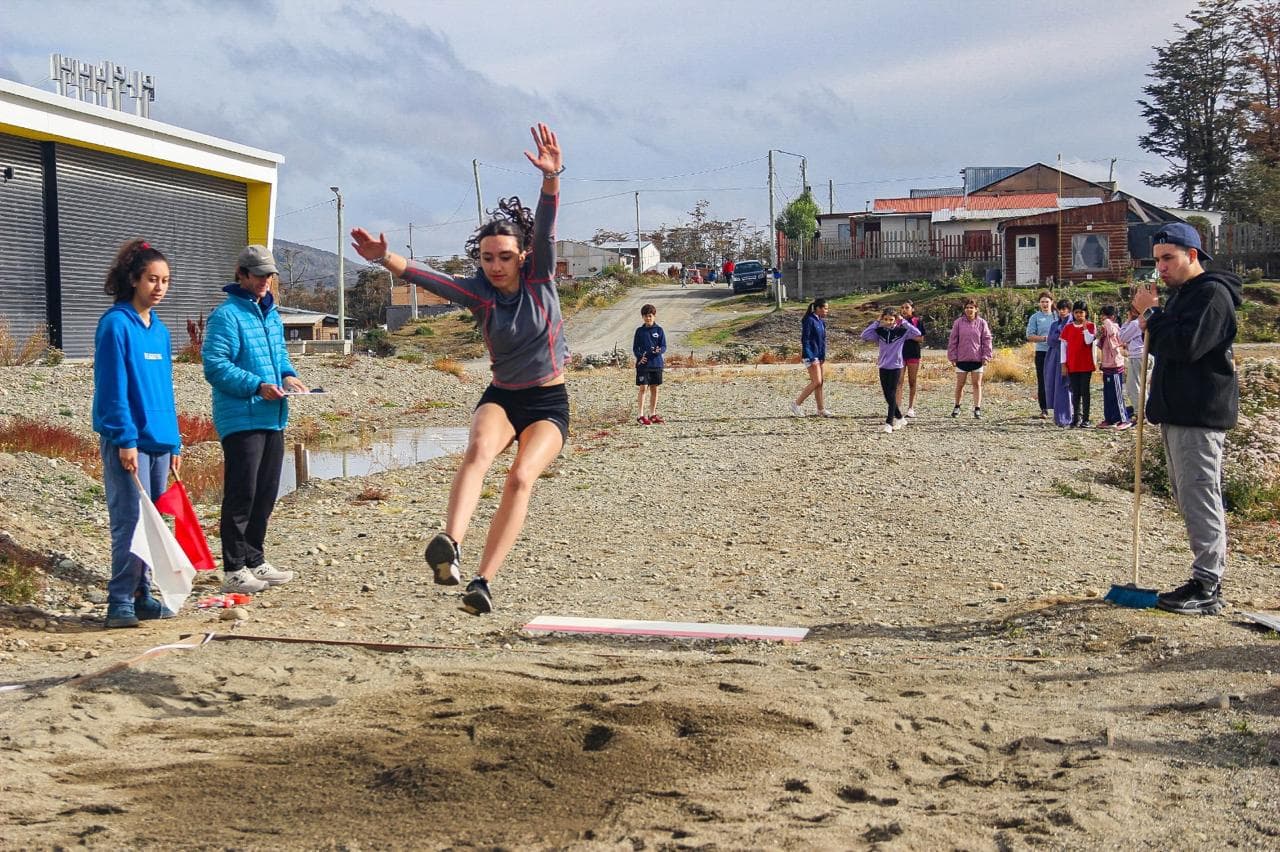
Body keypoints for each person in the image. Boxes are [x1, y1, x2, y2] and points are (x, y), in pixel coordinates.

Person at [349, 123, 567, 616]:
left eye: (505, 257)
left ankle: (483, 581)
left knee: (519, 479)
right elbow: (432, 278)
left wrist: (551, 179)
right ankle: (450, 540)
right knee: (477, 451)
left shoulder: (540, 278)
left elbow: (548, 223)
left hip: (549, 403)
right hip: (503, 395)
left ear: (523, 256)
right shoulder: (480, 294)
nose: (495, 266)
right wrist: (385, 257)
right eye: (487, 258)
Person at [1132, 222, 1242, 616]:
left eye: (1168, 258)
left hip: (1199, 413)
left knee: (1199, 494)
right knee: (1188, 494)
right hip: (1179, 411)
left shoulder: (1211, 295)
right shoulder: (1184, 295)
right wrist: (1155, 319)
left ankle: (1208, 584)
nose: (1161, 267)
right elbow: (1168, 340)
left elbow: (1186, 345)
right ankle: (1204, 577)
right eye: (1157, 259)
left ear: (1192, 255)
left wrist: (1154, 314)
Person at [202, 244, 307, 595]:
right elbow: (215, 366)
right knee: (241, 493)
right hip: (241, 416)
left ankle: (255, 559)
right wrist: (257, 385)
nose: (265, 281)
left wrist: (288, 376)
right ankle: (233, 568)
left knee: (265, 492)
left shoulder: (270, 313)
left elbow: (278, 355)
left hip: (273, 413)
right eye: (259, 275)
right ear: (242, 274)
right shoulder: (226, 316)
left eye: (269, 276)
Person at [92, 239, 182, 628]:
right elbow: (112, 389)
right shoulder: (115, 325)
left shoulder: (158, 331)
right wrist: (125, 439)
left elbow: (164, 388)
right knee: (131, 521)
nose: (159, 287)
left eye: (164, 280)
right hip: (128, 442)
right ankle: (119, 601)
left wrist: (175, 440)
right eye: (152, 279)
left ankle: (145, 594)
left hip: (160, 442)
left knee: (156, 523)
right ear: (133, 279)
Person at [861, 308, 922, 433]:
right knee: (887, 395)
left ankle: (889, 422)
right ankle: (900, 417)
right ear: (883, 319)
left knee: (892, 393)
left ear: (896, 320)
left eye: (891, 319)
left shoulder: (902, 331)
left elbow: (917, 333)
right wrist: (877, 322)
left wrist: (903, 321)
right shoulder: (880, 331)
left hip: (896, 366)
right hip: (883, 365)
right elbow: (864, 335)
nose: (888, 322)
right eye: (886, 319)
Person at [946, 298, 993, 418]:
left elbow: (987, 340)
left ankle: (977, 409)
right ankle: (957, 406)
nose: (969, 309)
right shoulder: (958, 323)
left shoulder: (982, 323)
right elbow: (953, 340)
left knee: (976, 384)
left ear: (976, 309)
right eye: (967, 307)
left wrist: (986, 356)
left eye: (971, 307)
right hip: (961, 358)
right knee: (960, 384)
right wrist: (952, 356)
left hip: (977, 358)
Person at [791, 298, 832, 417]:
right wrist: (811, 356)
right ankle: (796, 404)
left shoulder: (821, 321)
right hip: (810, 356)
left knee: (820, 383)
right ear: (818, 308)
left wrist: (822, 356)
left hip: (819, 356)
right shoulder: (809, 320)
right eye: (825, 308)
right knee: (816, 381)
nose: (827, 311)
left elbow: (822, 341)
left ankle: (821, 409)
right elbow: (806, 339)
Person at [1059, 300, 1096, 428]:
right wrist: (1063, 364)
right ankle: (1076, 417)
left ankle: (1086, 418)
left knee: (1085, 391)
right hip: (1072, 364)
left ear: (1086, 313)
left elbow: (1088, 341)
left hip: (1085, 364)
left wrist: (1085, 328)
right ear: (1073, 313)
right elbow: (1063, 346)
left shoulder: (1091, 326)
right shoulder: (1068, 327)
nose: (1079, 315)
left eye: (1081, 312)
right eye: (1076, 312)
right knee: (1075, 391)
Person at [1095, 305, 1132, 430]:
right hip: (1106, 365)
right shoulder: (1105, 328)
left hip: (1116, 366)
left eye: (1105, 315)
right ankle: (1109, 418)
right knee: (1107, 394)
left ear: (1112, 317)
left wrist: (1107, 321)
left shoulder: (1114, 327)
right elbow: (1098, 341)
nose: (1102, 318)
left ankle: (1124, 419)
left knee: (1117, 394)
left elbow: (1112, 332)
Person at [633, 303, 667, 425]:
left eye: (650, 316)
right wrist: (639, 357)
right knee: (643, 388)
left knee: (655, 389)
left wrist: (659, 351)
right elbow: (635, 348)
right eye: (646, 316)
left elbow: (663, 346)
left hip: (657, 364)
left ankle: (652, 414)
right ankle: (640, 415)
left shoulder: (659, 330)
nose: (648, 318)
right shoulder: (639, 331)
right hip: (643, 365)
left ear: (654, 316)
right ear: (642, 317)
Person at [1042, 298, 1074, 427]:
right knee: (1054, 385)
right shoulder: (1055, 324)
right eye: (1060, 309)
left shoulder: (1072, 324)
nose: (1062, 312)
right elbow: (1051, 340)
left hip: (1067, 357)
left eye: (1064, 309)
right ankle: (1058, 416)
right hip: (1053, 356)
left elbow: (1066, 339)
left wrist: (1059, 337)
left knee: (1065, 385)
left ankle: (1067, 416)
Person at [1025, 291, 1056, 418]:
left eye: (1047, 301)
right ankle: (1044, 408)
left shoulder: (1057, 316)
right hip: (1042, 352)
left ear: (1052, 303)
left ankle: (1058, 407)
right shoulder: (1035, 317)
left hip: (1056, 352)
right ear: (1039, 303)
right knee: (1042, 381)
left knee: (1056, 379)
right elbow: (1030, 336)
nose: (1044, 304)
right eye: (1042, 301)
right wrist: (1044, 339)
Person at [895, 299, 925, 418]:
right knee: (899, 381)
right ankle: (897, 407)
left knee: (912, 381)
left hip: (913, 353)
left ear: (912, 309)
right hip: (899, 354)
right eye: (902, 307)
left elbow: (921, 338)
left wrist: (908, 336)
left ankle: (911, 407)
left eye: (907, 307)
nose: (904, 310)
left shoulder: (917, 321)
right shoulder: (897, 322)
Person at [1118, 303, 1146, 420]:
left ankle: (1140, 413)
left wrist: (1128, 321)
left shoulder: (1135, 323)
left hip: (1137, 356)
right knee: (1143, 386)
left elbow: (1122, 337)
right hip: (1147, 355)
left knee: (1133, 386)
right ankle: (1146, 412)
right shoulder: (1147, 320)